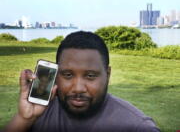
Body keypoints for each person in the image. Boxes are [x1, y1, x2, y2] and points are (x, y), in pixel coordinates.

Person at [3, 31, 160, 132]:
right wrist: (25, 119)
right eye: (68, 75)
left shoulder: (137, 126)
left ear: (108, 74)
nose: (78, 88)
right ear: (56, 75)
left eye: (90, 76)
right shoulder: (40, 114)